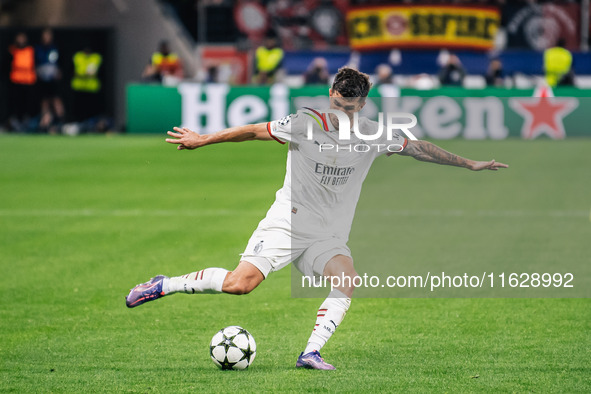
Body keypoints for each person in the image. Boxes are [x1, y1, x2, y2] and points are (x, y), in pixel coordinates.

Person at [126, 67, 508, 370]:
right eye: (340, 104)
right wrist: (203, 139)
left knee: (347, 281)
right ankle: (165, 284)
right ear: (331, 95)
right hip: (287, 223)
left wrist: (469, 163)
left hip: (328, 235)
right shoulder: (304, 123)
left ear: (362, 104)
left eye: (351, 107)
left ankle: (310, 353)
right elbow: (253, 130)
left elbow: (419, 148)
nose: (343, 112)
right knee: (239, 285)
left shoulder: (375, 135)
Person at [36, 28, 65, 131]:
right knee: (45, 101)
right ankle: (45, 122)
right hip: (43, 79)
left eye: (48, 35)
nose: (46, 38)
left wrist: (58, 72)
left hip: (53, 79)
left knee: (56, 99)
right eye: (45, 35)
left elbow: (59, 62)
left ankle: (61, 122)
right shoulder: (38, 48)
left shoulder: (55, 48)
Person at [7, 32, 36, 131]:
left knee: (27, 104)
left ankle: (26, 124)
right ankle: (15, 124)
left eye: (22, 38)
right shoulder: (12, 50)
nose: (21, 41)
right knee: (16, 104)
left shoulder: (30, 50)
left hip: (28, 82)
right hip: (16, 82)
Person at [71, 46, 102, 122]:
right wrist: (82, 74)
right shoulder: (77, 56)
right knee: (79, 108)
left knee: (91, 108)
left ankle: (91, 124)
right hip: (79, 87)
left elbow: (97, 72)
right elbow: (72, 71)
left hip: (91, 88)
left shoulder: (96, 57)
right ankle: (79, 123)